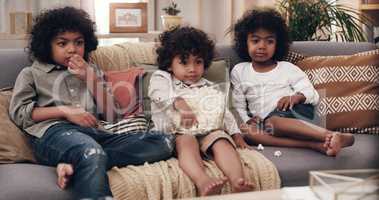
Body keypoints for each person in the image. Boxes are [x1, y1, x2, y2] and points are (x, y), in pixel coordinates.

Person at [9, 7, 174, 199]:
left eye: (78, 42)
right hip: (53, 133)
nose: (72, 49)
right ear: (47, 45)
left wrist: (90, 78)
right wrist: (65, 111)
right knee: (90, 150)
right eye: (62, 43)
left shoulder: (91, 71)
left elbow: (113, 115)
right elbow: (20, 113)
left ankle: (79, 161)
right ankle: (86, 159)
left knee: (164, 142)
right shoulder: (31, 73)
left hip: (96, 134)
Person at [231, 8, 354, 157]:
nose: (262, 46)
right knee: (248, 133)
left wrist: (295, 97)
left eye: (269, 41)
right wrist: (248, 120)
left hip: (296, 112)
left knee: (273, 123)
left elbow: (311, 94)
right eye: (255, 40)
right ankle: (317, 144)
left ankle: (328, 135)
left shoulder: (287, 68)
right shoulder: (239, 70)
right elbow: (238, 104)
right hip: (267, 124)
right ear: (245, 42)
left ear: (278, 44)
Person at [148, 27, 254, 196]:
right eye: (184, 62)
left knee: (221, 141)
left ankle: (237, 181)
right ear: (169, 63)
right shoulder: (163, 78)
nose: (192, 69)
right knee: (187, 142)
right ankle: (203, 181)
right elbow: (157, 94)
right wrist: (179, 103)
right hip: (177, 131)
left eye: (198, 62)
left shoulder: (207, 85)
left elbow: (223, 112)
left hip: (206, 130)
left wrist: (236, 134)